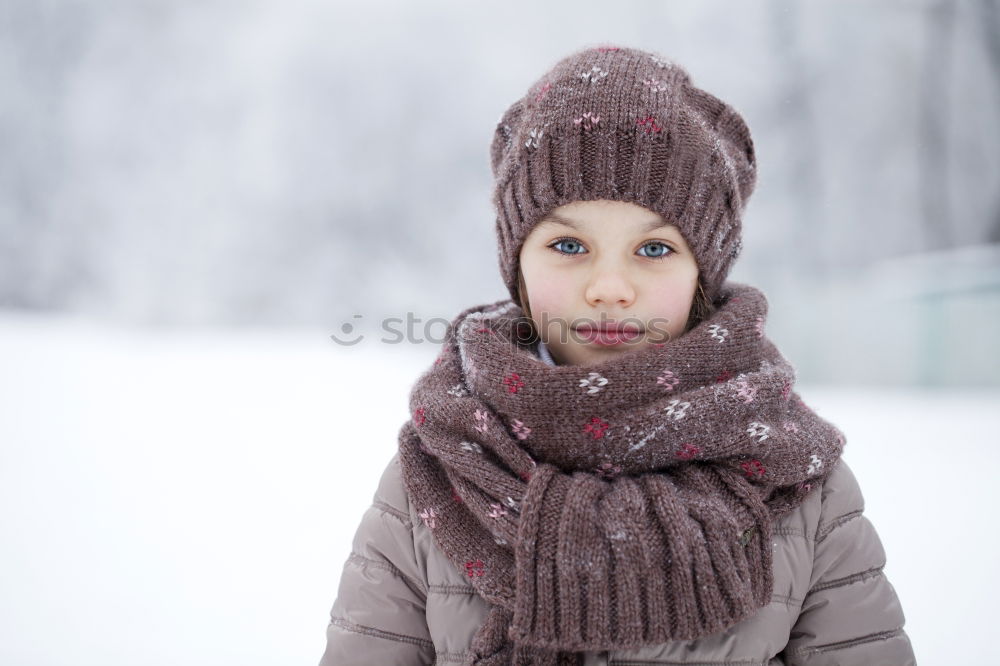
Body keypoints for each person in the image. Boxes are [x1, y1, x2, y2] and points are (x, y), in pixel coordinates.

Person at [318, 44, 916, 665]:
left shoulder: (794, 477)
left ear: (702, 274)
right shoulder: (439, 469)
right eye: (569, 246)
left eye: (653, 250)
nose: (609, 287)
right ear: (516, 263)